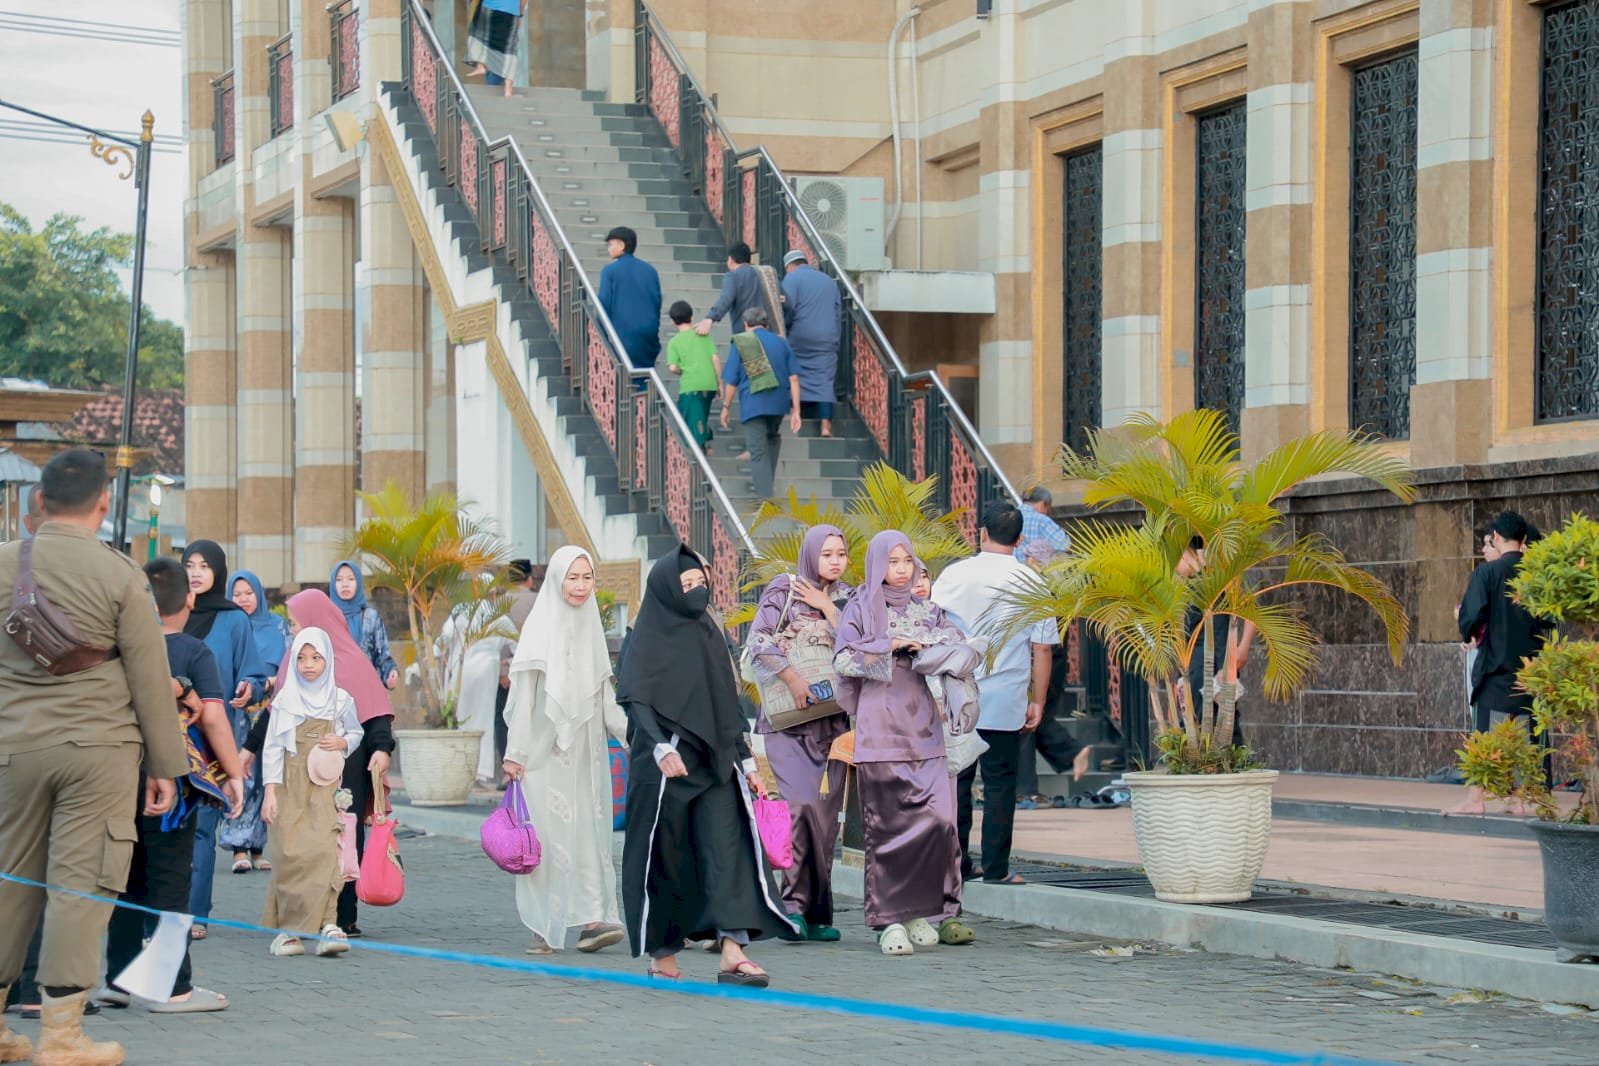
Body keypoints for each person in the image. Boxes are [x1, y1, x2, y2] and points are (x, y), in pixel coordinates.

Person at [0, 449, 187, 1066]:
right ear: (104, 503)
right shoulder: (120, 574)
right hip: (99, 752)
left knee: (9, 882)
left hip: (12, 749)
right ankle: (62, 1037)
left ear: (39, 501)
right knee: (81, 885)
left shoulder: (2, 563)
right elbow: (150, 677)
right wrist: (165, 766)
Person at [618, 546, 793, 986]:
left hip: (716, 762)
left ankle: (733, 951)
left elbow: (726, 702)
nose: (698, 591)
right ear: (666, 589)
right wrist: (660, 748)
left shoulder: (710, 633)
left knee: (728, 850)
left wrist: (747, 761)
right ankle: (663, 955)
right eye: (687, 584)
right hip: (667, 769)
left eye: (702, 583)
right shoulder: (646, 636)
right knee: (667, 859)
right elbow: (636, 697)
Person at [98, 558, 247, 1015]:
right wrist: (234, 775)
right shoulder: (194, 652)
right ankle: (173, 987)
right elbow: (214, 717)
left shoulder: (119, 650)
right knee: (170, 882)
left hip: (121, 777)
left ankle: (118, 979)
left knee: (126, 879)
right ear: (189, 599)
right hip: (175, 785)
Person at [833, 531, 980, 956]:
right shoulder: (861, 607)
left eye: (907, 561)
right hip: (881, 730)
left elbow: (960, 645)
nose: (901, 570)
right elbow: (842, 659)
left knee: (936, 822)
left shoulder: (928, 609)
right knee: (887, 828)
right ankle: (888, 920)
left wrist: (940, 650)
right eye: (892, 562)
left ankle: (917, 909)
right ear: (877, 564)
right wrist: (891, 645)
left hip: (925, 728)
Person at [248, 589, 397, 937]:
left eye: (296, 622)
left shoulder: (353, 663)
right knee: (302, 837)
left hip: (346, 767)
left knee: (343, 835)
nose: (293, 630)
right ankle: (305, 912)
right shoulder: (294, 662)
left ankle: (342, 914)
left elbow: (374, 714)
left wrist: (382, 748)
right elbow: (275, 717)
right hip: (299, 770)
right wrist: (248, 749)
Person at [502, 547, 628, 954]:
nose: (580, 586)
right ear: (557, 579)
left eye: (587, 577)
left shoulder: (590, 626)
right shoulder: (540, 626)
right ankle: (543, 926)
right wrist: (516, 752)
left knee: (588, 833)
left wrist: (635, 738)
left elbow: (604, 695)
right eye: (572, 577)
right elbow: (524, 695)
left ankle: (593, 920)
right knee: (544, 837)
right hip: (541, 753)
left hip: (585, 755)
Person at [934, 504, 1059, 885]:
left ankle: (956, 866)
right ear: (1019, 540)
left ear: (982, 533)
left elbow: (931, 630)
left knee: (958, 782)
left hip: (957, 694)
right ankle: (996, 869)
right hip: (1006, 697)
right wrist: (1037, 700)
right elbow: (1042, 648)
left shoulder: (954, 575)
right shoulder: (1032, 581)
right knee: (1001, 783)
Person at [746, 525, 853, 942]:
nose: (835, 561)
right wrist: (793, 680)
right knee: (800, 809)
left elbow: (863, 647)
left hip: (834, 724)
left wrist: (828, 606)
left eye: (841, 553)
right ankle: (791, 907)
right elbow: (758, 640)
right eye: (826, 554)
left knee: (825, 822)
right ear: (811, 554)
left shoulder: (849, 598)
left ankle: (818, 914)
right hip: (789, 723)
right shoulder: (785, 589)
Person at [182, 540, 272, 939]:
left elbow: (252, 673)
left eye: (204, 566)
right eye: (190, 565)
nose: (196, 573)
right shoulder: (170, 613)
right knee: (165, 828)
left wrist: (248, 688)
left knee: (202, 828)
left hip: (212, 741)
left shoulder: (234, 620)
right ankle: (163, 912)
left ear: (218, 570)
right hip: (167, 736)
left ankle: (195, 914)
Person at [261, 628, 364, 958]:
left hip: (324, 785)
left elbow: (356, 732)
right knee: (290, 854)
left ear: (327, 660)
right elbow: (272, 748)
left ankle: (328, 924)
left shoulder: (340, 699)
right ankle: (289, 931)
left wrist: (343, 741)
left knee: (325, 851)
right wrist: (270, 792)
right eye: (302, 658)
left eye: (316, 658)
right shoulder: (284, 702)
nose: (308, 665)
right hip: (289, 785)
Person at [1446, 512, 1549, 816]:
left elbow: (1472, 615)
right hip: (1530, 668)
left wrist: (1468, 631)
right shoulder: (1537, 573)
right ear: (1524, 539)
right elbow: (1548, 618)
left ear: (1497, 537)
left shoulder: (1487, 573)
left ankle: (1476, 799)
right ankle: (1521, 800)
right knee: (1526, 730)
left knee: (1483, 731)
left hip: (1495, 664)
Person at [221, 569, 288, 875]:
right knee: (240, 773)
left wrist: (272, 682)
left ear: (259, 594)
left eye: (249, 593)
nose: (243, 599)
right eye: (237, 594)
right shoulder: (227, 625)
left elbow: (289, 663)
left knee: (266, 776)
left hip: (270, 710)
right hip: (236, 711)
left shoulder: (277, 626)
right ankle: (238, 848)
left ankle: (258, 848)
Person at [718, 306, 802, 501]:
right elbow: (794, 378)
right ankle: (767, 486)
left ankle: (765, 499)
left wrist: (726, 407)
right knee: (772, 438)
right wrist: (796, 410)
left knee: (757, 451)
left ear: (746, 324)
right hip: (778, 403)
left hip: (754, 403)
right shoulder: (781, 343)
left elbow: (732, 381)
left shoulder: (742, 342)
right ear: (767, 324)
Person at [441, 593, 517, 787]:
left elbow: (445, 637)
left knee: (460, 718)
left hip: (461, 670)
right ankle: (479, 771)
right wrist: (508, 666)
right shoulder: (498, 617)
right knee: (483, 720)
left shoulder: (461, 611)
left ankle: (458, 769)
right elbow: (518, 647)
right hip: (486, 671)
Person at [779, 250, 843, 438]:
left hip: (800, 336)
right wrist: (835, 338)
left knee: (793, 372)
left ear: (790, 266)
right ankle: (825, 426)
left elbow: (788, 308)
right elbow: (838, 313)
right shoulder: (829, 281)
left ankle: (792, 412)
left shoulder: (792, 278)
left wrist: (785, 330)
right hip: (826, 338)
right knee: (824, 378)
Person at [496, 560, 543, 781]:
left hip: (506, 670)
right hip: (534, 668)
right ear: (529, 579)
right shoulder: (539, 600)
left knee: (503, 718)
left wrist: (503, 671)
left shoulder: (500, 604)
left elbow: (496, 640)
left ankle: (507, 771)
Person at [598, 226, 664, 381]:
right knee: (644, 379)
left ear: (622, 245)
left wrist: (599, 333)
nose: (608, 248)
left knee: (624, 380)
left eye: (611, 244)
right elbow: (657, 301)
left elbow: (603, 305)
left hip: (623, 333)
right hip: (648, 333)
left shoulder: (609, 271)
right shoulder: (650, 270)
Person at [330, 560, 400, 690]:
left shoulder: (370, 617)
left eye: (351, 579)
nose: (345, 584)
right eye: (339, 580)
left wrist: (390, 673)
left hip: (365, 689)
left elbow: (382, 654)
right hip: (334, 692)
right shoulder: (327, 617)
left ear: (358, 582)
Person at [666, 299, 720, 448]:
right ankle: (705, 443)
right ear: (691, 317)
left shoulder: (674, 342)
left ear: (672, 321)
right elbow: (715, 359)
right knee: (700, 416)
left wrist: (682, 371)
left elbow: (672, 368)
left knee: (690, 423)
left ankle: (701, 449)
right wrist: (720, 384)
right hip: (709, 385)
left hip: (691, 387)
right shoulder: (704, 335)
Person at [696, 242, 768, 338]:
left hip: (744, 335)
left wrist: (710, 318)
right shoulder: (765, 274)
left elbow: (725, 300)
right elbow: (784, 302)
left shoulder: (733, 276)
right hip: (767, 333)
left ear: (730, 260)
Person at [465, 0, 524, 97]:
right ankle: (508, 89)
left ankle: (481, 65)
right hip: (511, 12)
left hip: (489, 7)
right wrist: (520, 14)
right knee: (510, 49)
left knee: (477, 33)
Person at [1016, 486, 1070, 567]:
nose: (1047, 513)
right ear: (1042, 504)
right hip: (1034, 569)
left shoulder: (1010, 515)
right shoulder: (1042, 520)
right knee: (1062, 556)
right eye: (1048, 509)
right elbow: (1064, 545)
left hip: (1012, 565)